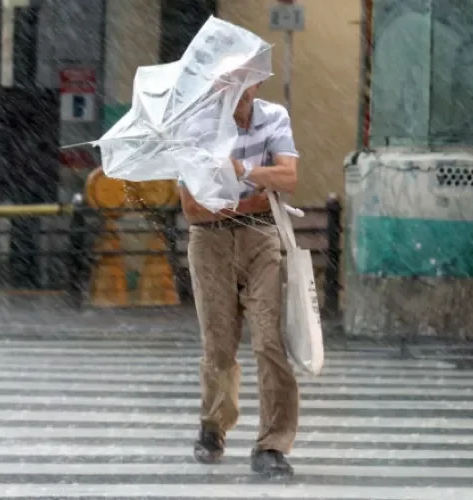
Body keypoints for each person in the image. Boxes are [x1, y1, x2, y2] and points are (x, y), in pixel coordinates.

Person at [179, 70, 300, 477]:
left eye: (243, 77)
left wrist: (241, 172)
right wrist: (256, 199)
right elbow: (194, 209)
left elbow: (289, 178)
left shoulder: (274, 118)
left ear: (257, 83)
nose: (235, 87)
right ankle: (213, 426)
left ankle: (272, 444)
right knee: (219, 343)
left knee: (270, 341)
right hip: (210, 242)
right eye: (226, 79)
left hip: (262, 240)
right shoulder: (196, 126)